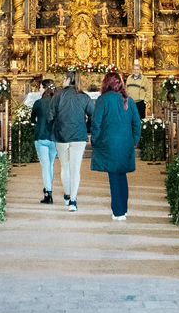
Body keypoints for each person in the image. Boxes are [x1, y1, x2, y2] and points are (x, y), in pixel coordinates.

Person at [92, 71, 142, 221]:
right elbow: (137, 124)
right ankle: (124, 209)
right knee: (121, 176)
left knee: (114, 177)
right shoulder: (129, 101)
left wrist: (96, 140)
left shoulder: (103, 100)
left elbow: (96, 123)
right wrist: (133, 141)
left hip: (109, 144)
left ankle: (118, 212)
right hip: (126, 144)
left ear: (106, 83)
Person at [49, 71, 94, 212]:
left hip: (61, 135)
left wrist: (56, 125)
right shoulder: (84, 97)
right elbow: (93, 113)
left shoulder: (57, 95)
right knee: (75, 169)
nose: (63, 81)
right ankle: (73, 201)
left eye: (64, 78)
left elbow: (50, 116)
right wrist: (86, 126)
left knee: (65, 167)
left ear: (68, 79)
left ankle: (67, 196)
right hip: (79, 136)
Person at [31, 78, 58, 204]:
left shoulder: (38, 103)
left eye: (40, 87)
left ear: (45, 88)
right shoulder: (57, 102)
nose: (39, 89)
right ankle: (49, 188)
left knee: (45, 166)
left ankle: (48, 192)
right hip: (54, 137)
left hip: (41, 136)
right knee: (51, 164)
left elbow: (32, 119)